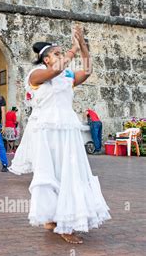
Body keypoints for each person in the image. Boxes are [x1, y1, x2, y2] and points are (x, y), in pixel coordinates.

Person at [9, 26, 111, 244]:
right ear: (46, 59)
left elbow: (88, 70)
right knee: (50, 175)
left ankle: (63, 220)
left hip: (67, 131)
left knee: (69, 174)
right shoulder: (36, 75)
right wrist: (72, 50)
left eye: (61, 53)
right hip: (47, 134)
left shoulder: (66, 76)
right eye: (57, 53)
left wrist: (82, 45)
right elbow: (55, 71)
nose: (62, 55)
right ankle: (54, 220)